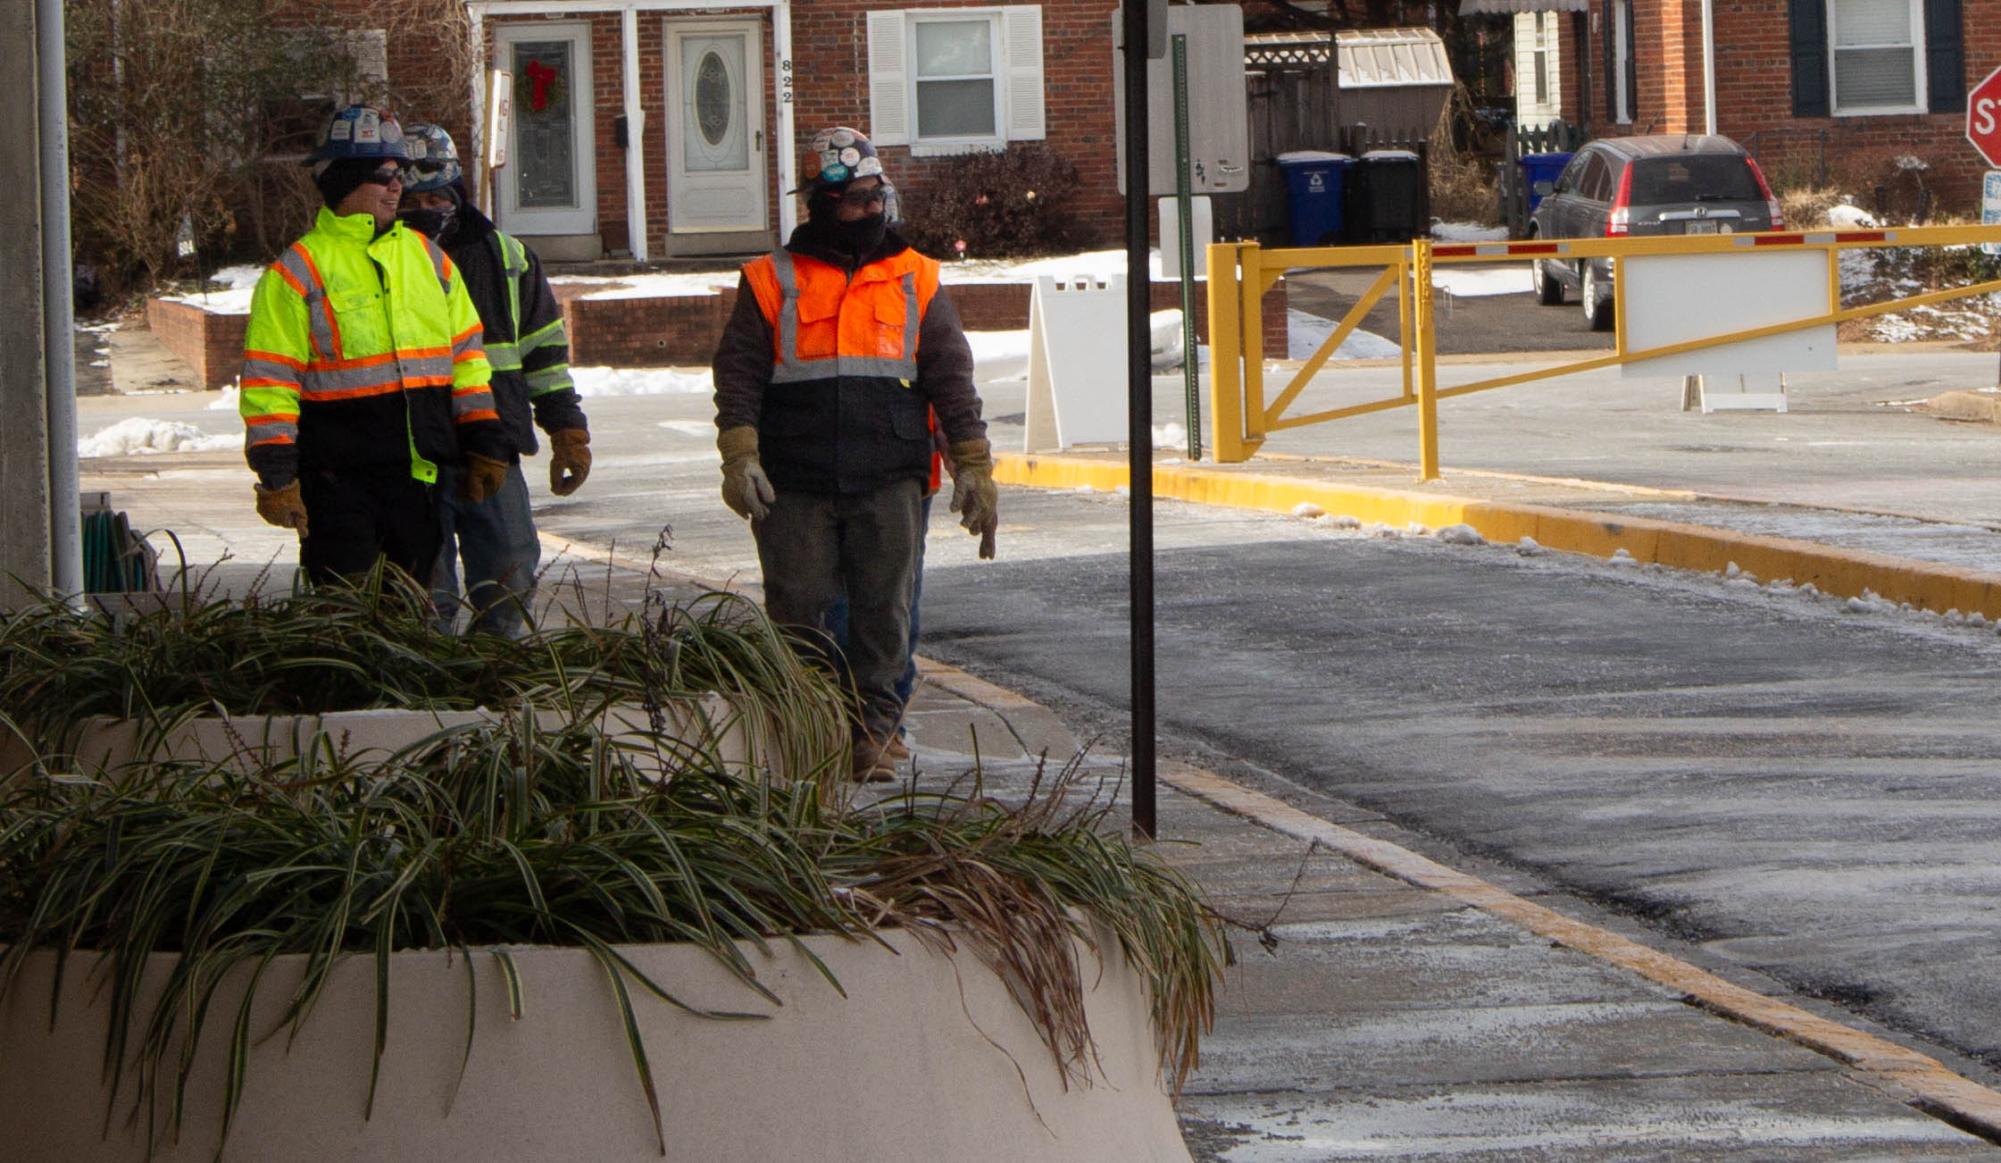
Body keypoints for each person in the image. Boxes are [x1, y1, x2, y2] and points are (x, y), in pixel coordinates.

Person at [712, 126, 998, 782]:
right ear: (821, 205)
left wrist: (972, 461)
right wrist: (738, 452)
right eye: (856, 201)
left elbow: (949, 372)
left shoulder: (916, 277)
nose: (872, 211)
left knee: (882, 610)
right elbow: (740, 373)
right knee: (800, 605)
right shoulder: (771, 279)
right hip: (795, 477)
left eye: (877, 198)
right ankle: (812, 723)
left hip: (890, 473)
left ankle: (873, 729)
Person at [239, 105, 507, 587]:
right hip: (337, 487)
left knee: (410, 615)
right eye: (384, 173)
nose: (398, 185)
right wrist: (277, 473)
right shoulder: (296, 273)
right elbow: (270, 384)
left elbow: (467, 358)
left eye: (400, 172)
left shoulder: (428, 259)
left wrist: (484, 436)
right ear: (345, 181)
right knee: (347, 617)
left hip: (418, 483)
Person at [396, 123, 592, 638]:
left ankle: (496, 687)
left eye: (436, 195)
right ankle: (432, 699)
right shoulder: (383, 264)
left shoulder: (508, 258)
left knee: (509, 579)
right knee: (424, 598)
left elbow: (544, 357)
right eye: (412, 198)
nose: (425, 208)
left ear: (457, 192)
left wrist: (566, 431)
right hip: (414, 456)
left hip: (494, 449)